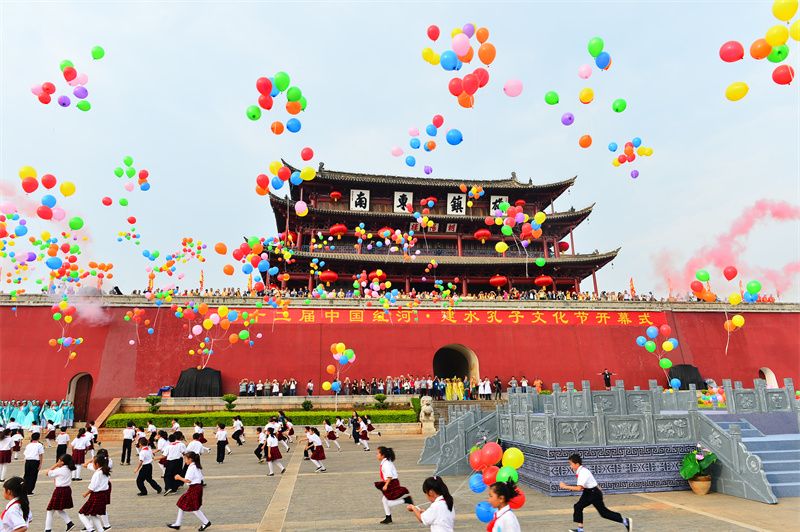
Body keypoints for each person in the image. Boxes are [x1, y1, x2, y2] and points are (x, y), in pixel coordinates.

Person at [559, 453, 632, 532]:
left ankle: (625, 521)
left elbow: (579, 488)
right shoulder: (581, 470)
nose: (570, 466)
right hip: (589, 492)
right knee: (578, 506)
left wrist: (565, 486)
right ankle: (580, 529)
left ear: (577, 464)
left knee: (604, 513)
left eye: (571, 464)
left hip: (593, 493)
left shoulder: (583, 472)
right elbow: (590, 481)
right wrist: (598, 488)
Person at [167, 452, 211, 531]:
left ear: (190, 459)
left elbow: (188, 480)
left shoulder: (192, 467)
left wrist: (179, 477)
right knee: (183, 504)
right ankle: (178, 524)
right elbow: (201, 478)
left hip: (194, 488)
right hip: (196, 487)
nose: (185, 460)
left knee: (193, 507)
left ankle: (206, 522)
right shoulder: (196, 466)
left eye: (186, 459)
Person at [374, 446, 412, 525]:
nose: (376, 455)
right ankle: (388, 517)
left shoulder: (386, 464)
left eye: (377, 453)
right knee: (384, 500)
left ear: (383, 455)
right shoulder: (386, 462)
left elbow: (390, 476)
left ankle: (406, 500)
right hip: (391, 482)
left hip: (391, 483)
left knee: (388, 502)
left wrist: (386, 485)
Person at [78, 455, 110, 532]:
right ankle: (100, 530)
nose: (92, 465)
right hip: (103, 495)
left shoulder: (98, 473)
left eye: (93, 463)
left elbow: (93, 486)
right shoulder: (105, 471)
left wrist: (86, 493)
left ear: (97, 464)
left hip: (96, 495)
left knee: (81, 513)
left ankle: (90, 529)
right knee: (93, 514)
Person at [44, 454, 76, 531]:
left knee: (50, 510)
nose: (58, 462)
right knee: (59, 509)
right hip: (67, 489)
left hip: (59, 491)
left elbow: (47, 473)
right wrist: (58, 465)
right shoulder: (68, 468)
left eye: (59, 461)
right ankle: (69, 523)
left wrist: (55, 465)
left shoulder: (60, 470)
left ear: (63, 462)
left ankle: (48, 529)